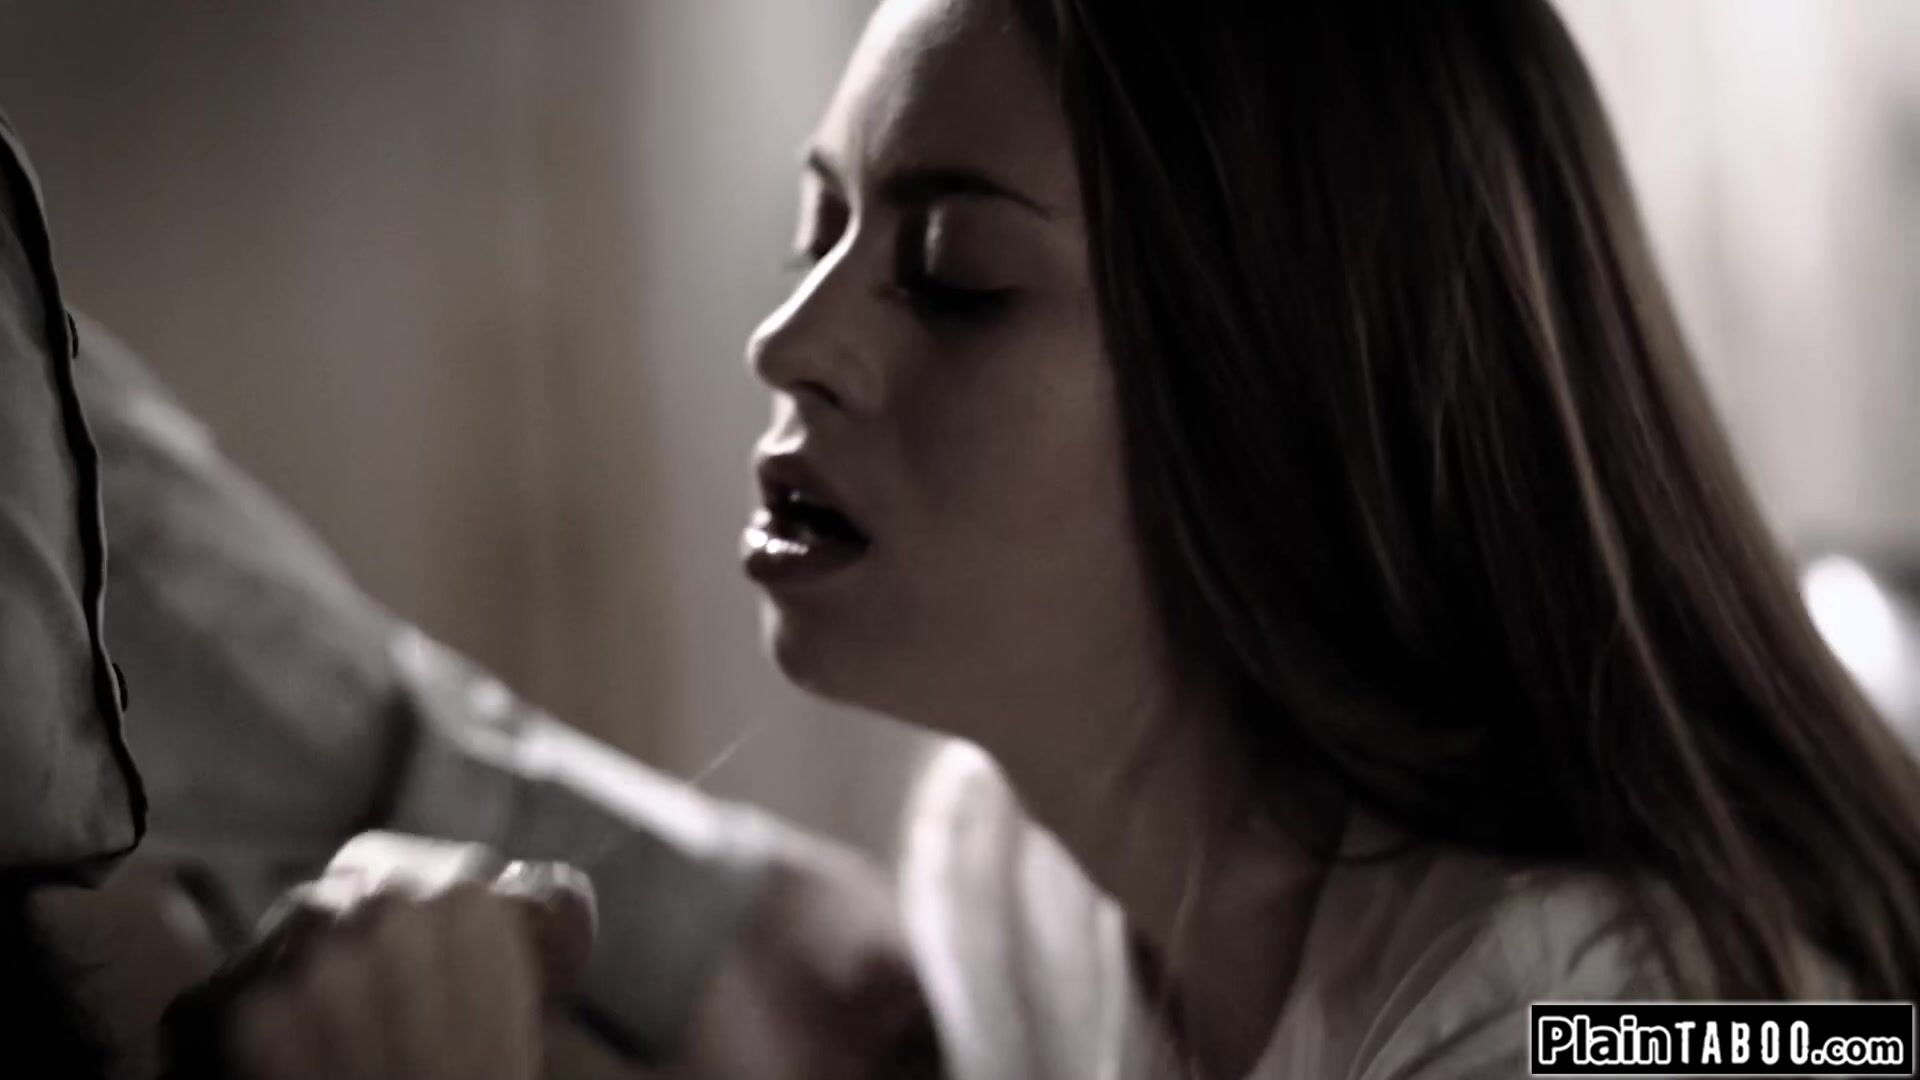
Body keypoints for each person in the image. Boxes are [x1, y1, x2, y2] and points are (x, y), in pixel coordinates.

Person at [736, 1, 1920, 1077]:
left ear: (1284, 397)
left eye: (953, 273)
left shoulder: (1600, 1018)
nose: (785, 343)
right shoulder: (1009, 876)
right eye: (818, 229)